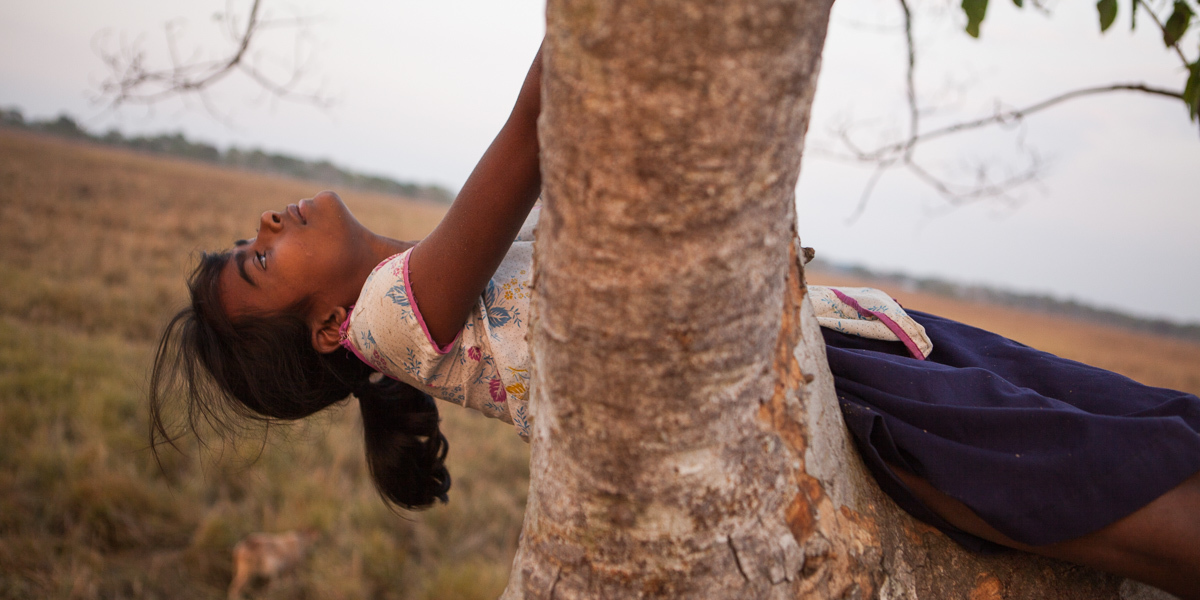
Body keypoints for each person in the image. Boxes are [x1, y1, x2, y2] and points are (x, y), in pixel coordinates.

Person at [149, 45, 1200, 597]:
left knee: (1112, 433)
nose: (266, 225)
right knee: (1096, 479)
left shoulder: (416, 290)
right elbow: (530, 135)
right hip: (818, 389)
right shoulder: (387, 319)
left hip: (831, 341)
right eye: (259, 263)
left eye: (251, 239)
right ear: (326, 330)